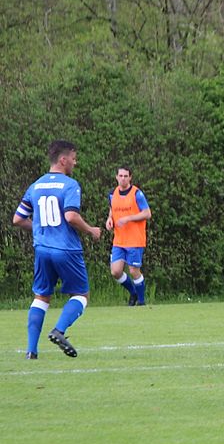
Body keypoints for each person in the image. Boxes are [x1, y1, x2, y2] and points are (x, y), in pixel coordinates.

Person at [12, 140, 102, 359]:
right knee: (81, 294)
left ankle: (31, 351)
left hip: (42, 249)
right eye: (73, 158)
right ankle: (59, 330)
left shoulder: (35, 186)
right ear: (63, 160)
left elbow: (17, 219)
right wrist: (90, 230)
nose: (75, 162)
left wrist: (39, 228)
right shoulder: (70, 185)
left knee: (41, 297)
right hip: (66, 248)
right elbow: (70, 216)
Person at [105, 166, 152, 306]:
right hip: (119, 240)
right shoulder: (112, 194)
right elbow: (112, 209)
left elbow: (147, 213)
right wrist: (109, 219)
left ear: (130, 177)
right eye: (120, 176)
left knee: (134, 271)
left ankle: (141, 302)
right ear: (116, 177)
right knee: (115, 271)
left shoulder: (137, 194)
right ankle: (133, 292)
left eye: (126, 176)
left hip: (135, 239)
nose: (123, 179)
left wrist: (128, 218)